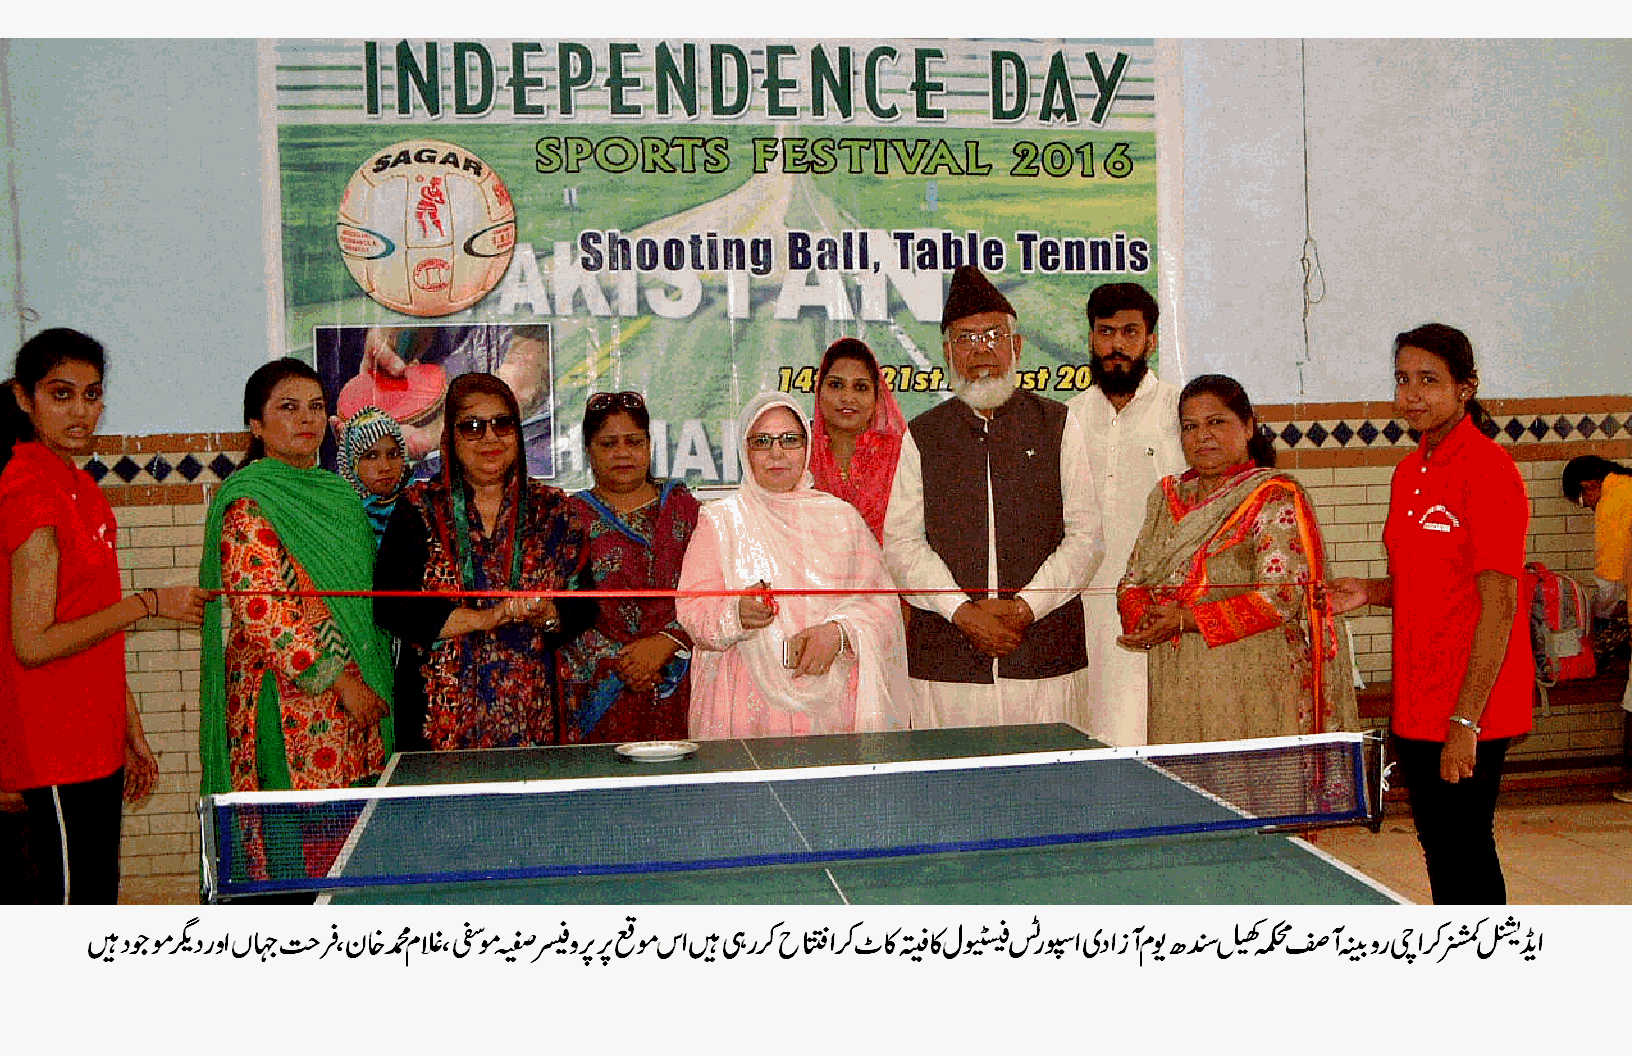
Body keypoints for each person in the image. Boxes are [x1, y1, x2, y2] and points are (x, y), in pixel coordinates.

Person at [0, 329, 209, 903]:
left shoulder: (81, 489)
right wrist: (149, 604)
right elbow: (33, 644)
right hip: (50, 746)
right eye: (61, 394)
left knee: (97, 899)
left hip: (94, 736)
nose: (80, 411)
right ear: (24, 398)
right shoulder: (28, 487)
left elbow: (89, 623)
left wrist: (127, 725)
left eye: (92, 395)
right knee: (68, 909)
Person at [1330, 324, 1533, 904]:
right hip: (1417, 696)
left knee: (1465, 844)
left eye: (1428, 380)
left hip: (1473, 699)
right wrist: (1371, 591)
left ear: (1466, 388)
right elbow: (1430, 583)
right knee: (1439, 844)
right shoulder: (1409, 471)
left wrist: (1466, 722)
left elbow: (1499, 603)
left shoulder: (1488, 469)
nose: (1411, 394)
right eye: (1402, 380)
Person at [883, 265, 1102, 728]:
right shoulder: (923, 435)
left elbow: (1086, 538)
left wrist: (1026, 608)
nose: (980, 350)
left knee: (1048, 775)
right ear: (947, 353)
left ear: (1016, 346)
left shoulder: (1058, 425)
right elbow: (902, 544)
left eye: (993, 336)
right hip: (948, 663)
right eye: (965, 339)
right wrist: (962, 613)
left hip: (1044, 656)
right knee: (952, 776)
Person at [1117, 374, 1356, 745]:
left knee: (1256, 780)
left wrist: (1185, 620)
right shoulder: (1165, 498)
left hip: (1253, 681)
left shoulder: (1273, 495)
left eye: (1216, 422)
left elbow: (1281, 597)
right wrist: (1145, 618)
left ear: (1248, 427)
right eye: (1190, 427)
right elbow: (1133, 579)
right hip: (1177, 681)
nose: (1202, 436)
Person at [200, 358, 394, 813]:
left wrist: (361, 683)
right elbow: (264, 615)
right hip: (289, 700)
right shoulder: (249, 501)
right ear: (256, 424)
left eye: (316, 406)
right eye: (288, 407)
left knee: (353, 834)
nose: (306, 419)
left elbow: (364, 603)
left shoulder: (339, 495)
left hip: (359, 695)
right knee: (296, 836)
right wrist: (342, 684)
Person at [374, 372, 593, 751]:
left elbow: (584, 604)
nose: (490, 438)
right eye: (472, 427)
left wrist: (548, 615)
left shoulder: (555, 510)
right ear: (451, 437)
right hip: (439, 718)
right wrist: (486, 618)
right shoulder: (418, 508)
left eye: (502, 424)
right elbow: (392, 607)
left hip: (535, 713)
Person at [677, 393, 911, 738]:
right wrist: (736, 613)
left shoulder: (841, 519)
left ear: (807, 446)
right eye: (762, 441)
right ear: (745, 449)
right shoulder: (721, 521)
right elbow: (692, 609)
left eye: (790, 440)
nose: (777, 453)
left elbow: (881, 606)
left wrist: (839, 633)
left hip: (831, 706)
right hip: (744, 705)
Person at [1067, 282, 1185, 746]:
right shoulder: (1067, 418)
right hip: (1081, 612)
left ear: (1150, 340)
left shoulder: (1180, 412)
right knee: (1089, 738)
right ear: (1091, 339)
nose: (1117, 345)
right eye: (1106, 332)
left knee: (1153, 738)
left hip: (1160, 611)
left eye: (1130, 332)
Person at [560, 391, 700, 743]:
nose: (622, 453)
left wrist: (665, 644)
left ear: (650, 446)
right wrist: (629, 664)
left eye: (634, 441)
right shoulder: (568, 518)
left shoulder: (684, 510)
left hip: (681, 678)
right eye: (608, 444)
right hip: (601, 692)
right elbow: (561, 609)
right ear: (589, 451)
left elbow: (711, 592)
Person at [1560, 458, 1632, 803]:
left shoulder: (1613, 500)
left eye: (1581, 500)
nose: (1587, 507)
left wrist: (1599, 618)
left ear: (1589, 485)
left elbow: (1609, 576)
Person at [808, 337, 907, 544]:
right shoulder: (799, 453)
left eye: (860, 387)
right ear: (819, 391)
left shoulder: (902, 457)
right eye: (836, 385)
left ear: (877, 396)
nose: (847, 397)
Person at [336, 405, 409, 546]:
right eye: (371, 456)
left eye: (393, 455)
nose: (385, 467)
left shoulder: (422, 507)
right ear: (352, 464)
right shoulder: (338, 518)